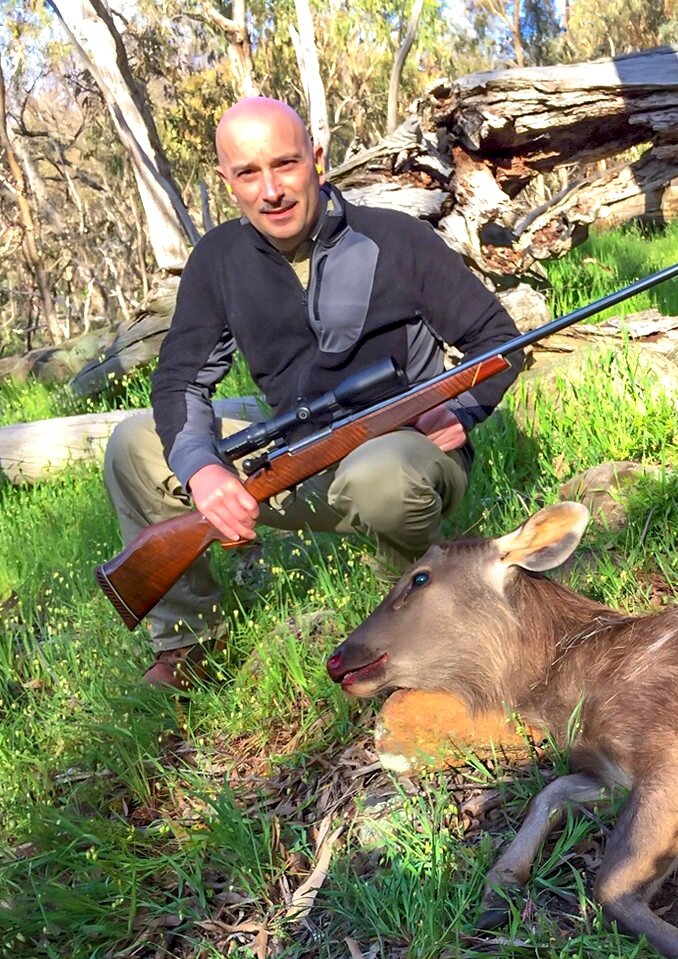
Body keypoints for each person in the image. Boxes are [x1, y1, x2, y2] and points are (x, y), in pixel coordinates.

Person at [104, 97, 522, 690]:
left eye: (286, 165)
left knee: (381, 475)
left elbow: (500, 342)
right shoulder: (217, 260)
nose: (271, 189)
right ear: (228, 181)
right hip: (292, 448)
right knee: (133, 444)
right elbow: (180, 381)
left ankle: (428, 608)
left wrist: (461, 411)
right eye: (249, 173)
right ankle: (189, 644)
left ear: (317, 160)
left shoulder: (396, 238)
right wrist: (203, 473)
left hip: (402, 446)